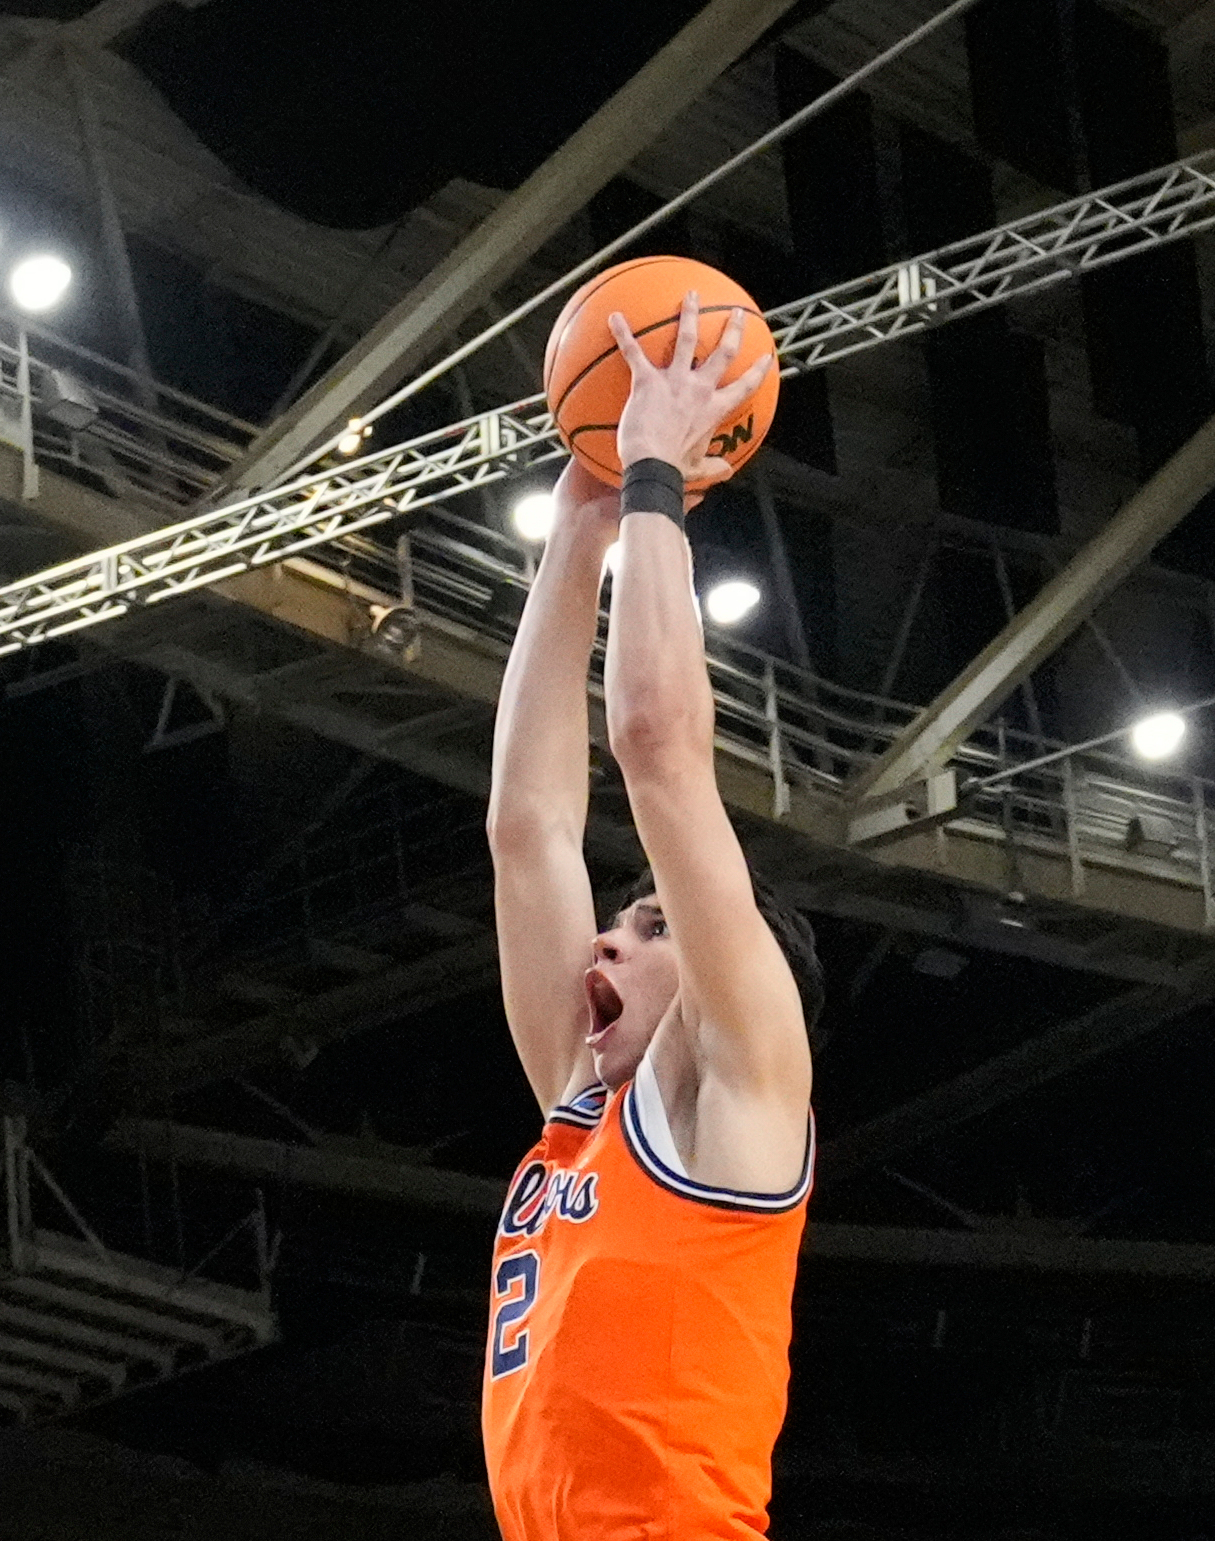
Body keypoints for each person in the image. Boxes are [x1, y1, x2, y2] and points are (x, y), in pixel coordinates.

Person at [480, 293, 825, 1541]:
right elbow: (526, 826)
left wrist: (653, 480)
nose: (606, 938)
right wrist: (576, 534)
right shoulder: (576, 1107)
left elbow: (655, 742)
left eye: (649, 923)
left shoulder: (740, 1081)